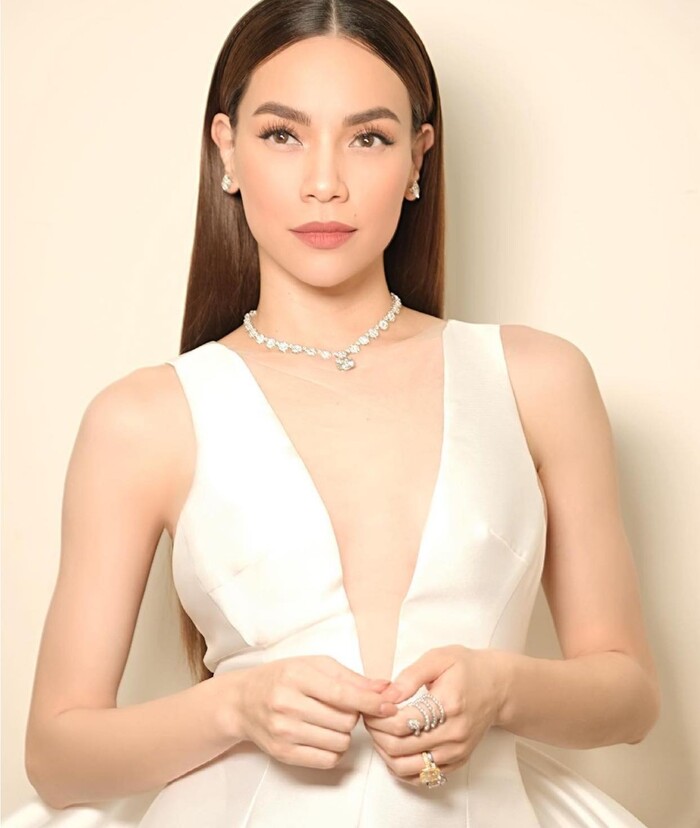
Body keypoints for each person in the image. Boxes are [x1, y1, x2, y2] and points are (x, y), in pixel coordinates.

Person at [7, 0, 660, 825]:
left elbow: (630, 696)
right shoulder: (142, 419)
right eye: (283, 134)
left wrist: (505, 687)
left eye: (369, 138)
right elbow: (57, 757)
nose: (325, 182)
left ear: (419, 158)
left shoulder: (539, 380)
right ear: (226, 151)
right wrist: (234, 708)